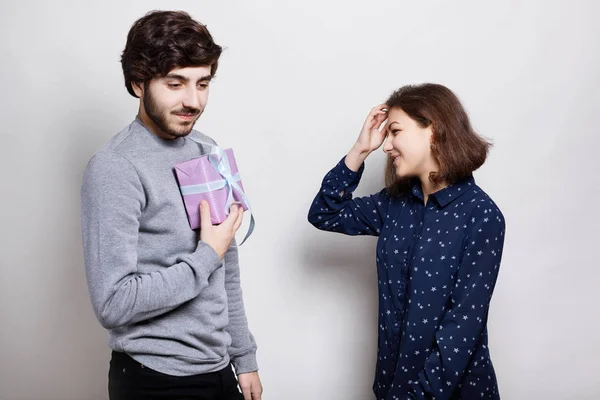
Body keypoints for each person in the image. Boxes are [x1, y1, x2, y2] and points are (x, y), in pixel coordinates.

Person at [80, 10, 262, 400]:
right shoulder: (115, 167)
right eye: (175, 83)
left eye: (203, 83)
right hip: (155, 378)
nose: (193, 101)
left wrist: (243, 356)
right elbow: (113, 303)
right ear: (138, 84)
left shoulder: (207, 151)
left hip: (219, 370)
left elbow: (225, 267)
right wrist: (205, 254)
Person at [308, 83, 505, 400]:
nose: (386, 146)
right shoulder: (394, 204)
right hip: (392, 386)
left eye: (395, 131)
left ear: (433, 129)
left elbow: (462, 327)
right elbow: (325, 213)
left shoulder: (481, 216)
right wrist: (359, 149)